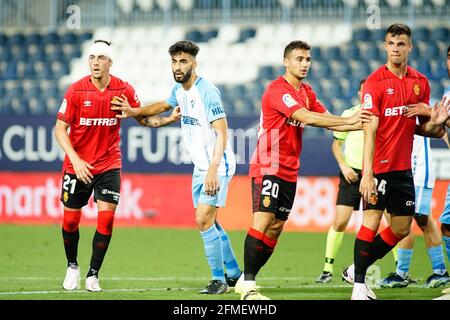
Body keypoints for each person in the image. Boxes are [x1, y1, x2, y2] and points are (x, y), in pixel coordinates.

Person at [231, 40, 372, 300]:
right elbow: (307, 117)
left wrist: (360, 124)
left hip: (290, 168)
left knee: (276, 227)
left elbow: (332, 122)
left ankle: (244, 278)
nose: (305, 63)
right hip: (268, 164)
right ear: (286, 62)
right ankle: (248, 286)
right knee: (262, 221)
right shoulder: (277, 90)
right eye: (299, 59)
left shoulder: (307, 92)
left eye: (308, 59)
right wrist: (348, 120)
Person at [110, 40, 242, 294]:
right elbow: (162, 106)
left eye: (183, 61)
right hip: (200, 167)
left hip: (217, 164)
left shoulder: (207, 92)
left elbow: (222, 133)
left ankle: (219, 280)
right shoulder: (179, 90)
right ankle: (235, 273)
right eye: (174, 61)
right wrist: (134, 111)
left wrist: (214, 169)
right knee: (210, 223)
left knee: (203, 219)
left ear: (194, 63)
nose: (178, 66)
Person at [346, 24, 448, 300]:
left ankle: (357, 267)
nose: (395, 48)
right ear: (385, 46)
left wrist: (436, 123)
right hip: (378, 167)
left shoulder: (420, 83)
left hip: (403, 169)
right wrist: (367, 173)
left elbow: (425, 130)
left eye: (401, 44)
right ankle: (358, 287)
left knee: (402, 228)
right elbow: (369, 131)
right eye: (391, 43)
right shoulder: (374, 83)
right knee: (371, 221)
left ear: (410, 47)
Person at [55, 40, 151, 292]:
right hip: (78, 166)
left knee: (106, 221)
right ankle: (72, 266)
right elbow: (59, 129)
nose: (95, 62)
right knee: (70, 222)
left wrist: (167, 120)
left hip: (109, 164)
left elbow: (142, 118)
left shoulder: (123, 89)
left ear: (110, 62)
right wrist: (75, 159)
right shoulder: (76, 91)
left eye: (100, 58)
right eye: (91, 57)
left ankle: (93, 274)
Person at [378, 130, 449, 288]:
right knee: (417, 220)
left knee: (415, 219)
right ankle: (437, 272)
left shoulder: (418, 108)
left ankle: (406, 273)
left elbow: (439, 127)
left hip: (419, 170)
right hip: (405, 169)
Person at [316, 79, 366, 283]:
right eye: (364, 91)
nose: (367, 95)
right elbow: (336, 145)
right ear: (359, 93)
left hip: (377, 173)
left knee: (389, 222)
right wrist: (344, 167)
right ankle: (327, 269)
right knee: (340, 221)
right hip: (351, 173)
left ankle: (400, 271)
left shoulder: (381, 114)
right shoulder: (349, 114)